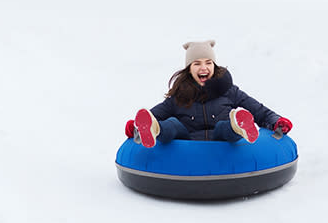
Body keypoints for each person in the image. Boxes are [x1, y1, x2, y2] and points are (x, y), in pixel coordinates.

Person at [124, 40, 293, 148]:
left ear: (214, 66)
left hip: (220, 140)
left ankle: (239, 126)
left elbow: (259, 111)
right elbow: (153, 114)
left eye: (208, 63)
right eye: (196, 63)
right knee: (173, 124)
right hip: (187, 143)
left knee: (224, 127)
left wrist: (277, 121)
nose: (203, 68)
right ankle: (155, 130)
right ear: (189, 69)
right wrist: (136, 126)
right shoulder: (179, 96)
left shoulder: (229, 91)